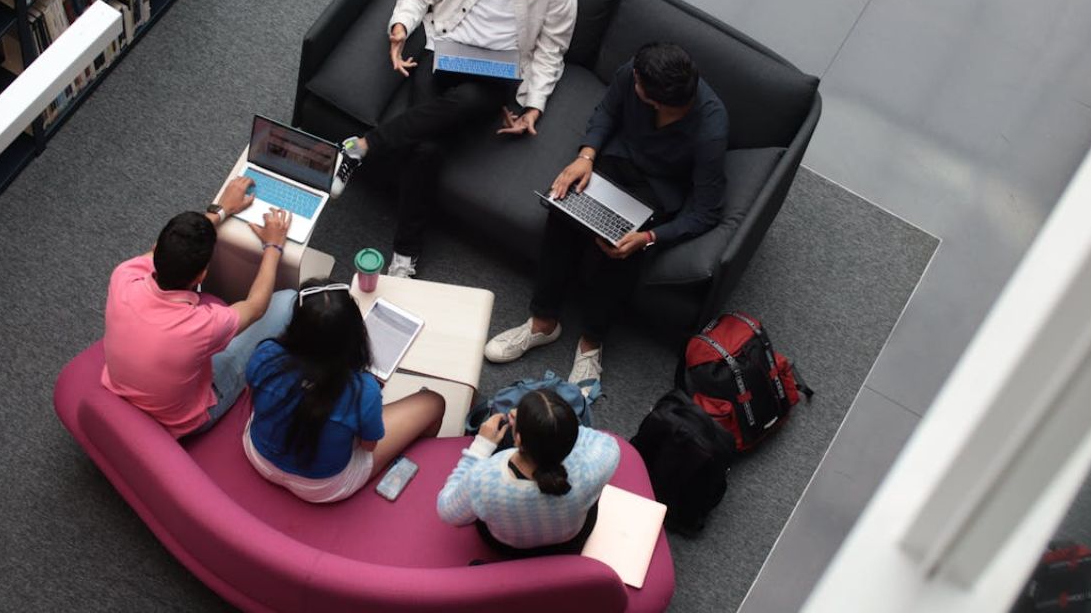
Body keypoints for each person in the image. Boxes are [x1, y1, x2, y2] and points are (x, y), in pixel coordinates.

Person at [331, 0, 578, 279]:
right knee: (427, 147)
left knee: (463, 105)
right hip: (444, 45)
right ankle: (405, 257)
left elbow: (551, 50)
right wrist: (399, 29)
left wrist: (534, 105)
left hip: (500, 70)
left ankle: (363, 146)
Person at [484, 42, 729, 384]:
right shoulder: (636, 70)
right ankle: (543, 322)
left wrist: (650, 237)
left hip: (658, 189)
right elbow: (607, 112)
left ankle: (591, 344)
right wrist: (585, 157)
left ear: (655, 100)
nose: (632, 79)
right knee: (563, 207)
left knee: (623, 252)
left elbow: (707, 210)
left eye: (638, 84)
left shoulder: (710, 131)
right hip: (613, 162)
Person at [102, 176, 295, 437]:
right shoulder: (203, 326)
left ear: (156, 249)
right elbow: (256, 307)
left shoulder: (124, 275)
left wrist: (221, 210)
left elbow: (163, 252)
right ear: (201, 276)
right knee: (287, 302)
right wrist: (274, 246)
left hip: (123, 388)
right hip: (181, 422)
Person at [243, 279, 446, 502]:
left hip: (258, 456)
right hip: (321, 487)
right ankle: (426, 465)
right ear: (355, 336)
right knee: (434, 402)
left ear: (296, 325)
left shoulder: (266, 353)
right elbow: (368, 446)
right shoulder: (364, 390)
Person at [437, 389, 619, 556]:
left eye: (519, 412)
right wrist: (555, 429)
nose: (513, 412)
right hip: (569, 540)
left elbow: (448, 510)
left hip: (510, 547)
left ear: (518, 439)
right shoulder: (592, 469)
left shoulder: (484, 479)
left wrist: (481, 446)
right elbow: (607, 443)